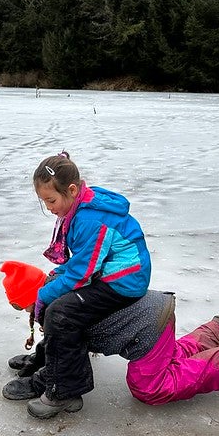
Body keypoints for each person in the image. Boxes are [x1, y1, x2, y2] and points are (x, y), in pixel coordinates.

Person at [0, 261, 219, 416]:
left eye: (20, 306)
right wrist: (40, 358)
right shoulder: (62, 285)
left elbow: (67, 351)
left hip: (145, 330)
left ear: (30, 298)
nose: (24, 312)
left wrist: (41, 382)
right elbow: (62, 345)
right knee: (166, 359)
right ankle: (214, 332)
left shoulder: (58, 310)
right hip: (155, 313)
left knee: (149, 387)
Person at [19, 152, 152, 418]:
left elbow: (81, 275)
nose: (49, 208)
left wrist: (44, 293)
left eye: (51, 200)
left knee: (60, 312)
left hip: (123, 281)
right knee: (57, 292)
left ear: (71, 190)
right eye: (44, 202)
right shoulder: (80, 206)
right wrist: (57, 275)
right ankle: (49, 360)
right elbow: (83, 260)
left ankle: (65, 390)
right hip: (106, 272)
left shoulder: (90, 219)